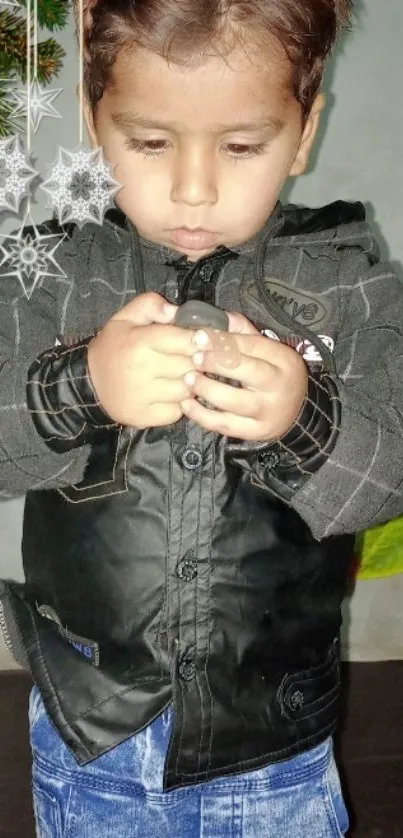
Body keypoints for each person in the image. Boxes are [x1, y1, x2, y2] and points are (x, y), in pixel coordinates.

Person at [1, 0, 403, 835]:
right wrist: (76, 386)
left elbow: (389, 479)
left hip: (277, 753)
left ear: (302, 133)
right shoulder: (45, 276)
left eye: (241, 146)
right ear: (92, 116)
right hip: (90, 742)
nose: (192, 189)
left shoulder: (351, 279)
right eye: (148, 142)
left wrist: (305, 418)